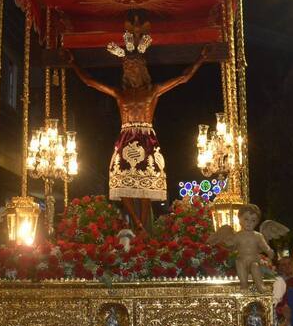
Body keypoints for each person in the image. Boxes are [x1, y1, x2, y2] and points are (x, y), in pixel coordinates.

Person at [67, 37, 208, 230]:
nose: (129, 70)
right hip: (125, 137)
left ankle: (143, 226)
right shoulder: (120, 93)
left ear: (141, 69)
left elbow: (183, 78)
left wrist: (201, 59)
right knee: (121, 181)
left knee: (145, 185)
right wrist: (73, 64)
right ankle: (138, 224)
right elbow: (91, 82)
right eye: (126, 67)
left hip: (146, 137)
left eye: (133, 66)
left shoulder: (153, 90)